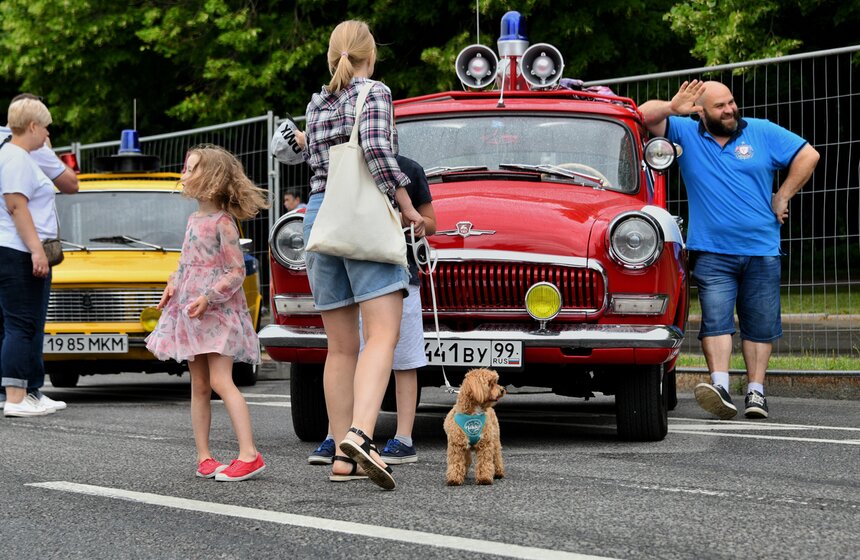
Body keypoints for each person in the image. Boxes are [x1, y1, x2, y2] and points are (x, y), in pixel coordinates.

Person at [639, 80, 819, 420]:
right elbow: (642, 116)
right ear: (701, 112)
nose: (730, 110)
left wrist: (782, 195)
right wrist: (670, 107)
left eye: (731, 102)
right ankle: (720, 388)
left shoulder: (762, 132)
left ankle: (756, 393)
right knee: (716, 322)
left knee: (760, 325)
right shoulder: (685, 132)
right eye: (720, 106)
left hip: (761, 249)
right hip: (711, 250)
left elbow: (808, 155)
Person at [303, 19, 423, 490]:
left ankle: (341, 453)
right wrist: (407, 203)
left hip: (320, 217)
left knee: (340, 346)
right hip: (363, 217)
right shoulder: (374, 92)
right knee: (382, 336)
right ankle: (361, 434)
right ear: (370, 56)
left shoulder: (317, 102)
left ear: (332, 56)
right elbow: (374, 150)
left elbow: (316, 163)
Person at [145, 144, 269, 481]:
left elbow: (235, 271)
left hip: (216, 314)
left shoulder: (223, 222)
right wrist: (173, 284)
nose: (183, 175)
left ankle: (249, 454)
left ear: (212, 178)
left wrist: (208, 297)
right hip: (192, 312)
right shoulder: (193, 220)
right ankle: (204, 457)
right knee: (199, 384)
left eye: (191, 168)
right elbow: (186, 263)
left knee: (219, 380)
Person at [308, 155, 436, 466]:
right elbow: (375, 152)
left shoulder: (412, 169)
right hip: (375, 261)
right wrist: (401, 204)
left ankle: (398, 438)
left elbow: (430, 222)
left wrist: (409, 217)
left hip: (396, 266)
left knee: (392, 356)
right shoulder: (370, 151)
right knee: (366, 347)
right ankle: (345, 436)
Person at [0, 94, 78, 413]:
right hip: (17, 250)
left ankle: (26, 392)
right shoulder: (17, 158)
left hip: (12, 249)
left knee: (18, 324)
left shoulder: (14, 154)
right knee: (22, 325)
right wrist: (37, 251)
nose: (48, 135)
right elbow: (16, 206)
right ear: (32, 126)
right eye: (45, 128)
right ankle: (17, 398)